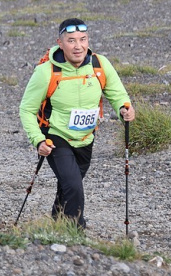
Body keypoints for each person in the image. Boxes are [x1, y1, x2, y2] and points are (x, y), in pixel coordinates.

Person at [18, 18, 134, 228]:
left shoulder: (100, 65)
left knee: (70, 184)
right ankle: (75, 231)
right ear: (60, 43)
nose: (78, 46)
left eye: (83, 39)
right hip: (55, 136)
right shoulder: (46, 72)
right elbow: (26, 109)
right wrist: (38, 140)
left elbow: (118, 94)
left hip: (86, 137)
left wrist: (123, 108)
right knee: (73, 186)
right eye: (71, 40)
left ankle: (57, 222)